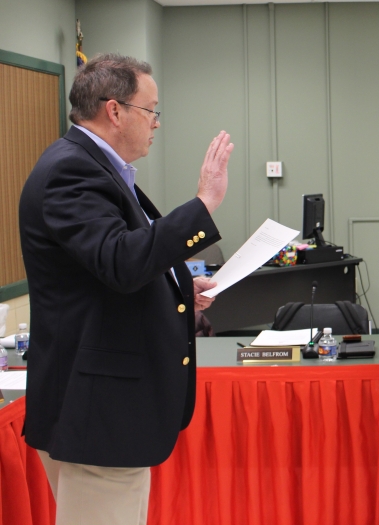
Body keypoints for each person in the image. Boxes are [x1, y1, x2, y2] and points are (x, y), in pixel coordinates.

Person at [19, 54, 233, 525]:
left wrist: (178, 284)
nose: (157, 123)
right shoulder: (72, 171)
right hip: (98, 410)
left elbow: (107, 266)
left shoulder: (94, 167)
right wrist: (203, 203)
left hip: (102, 408)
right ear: (115, 111)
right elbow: (120, 262)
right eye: (151, 110)